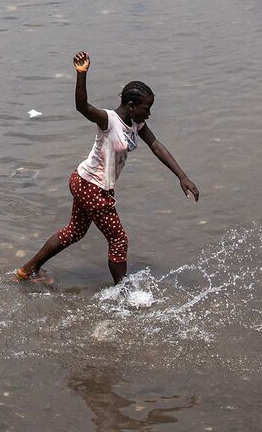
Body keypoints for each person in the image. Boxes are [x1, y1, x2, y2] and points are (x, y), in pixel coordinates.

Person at [14, 51, 198, 286]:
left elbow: (156, 146)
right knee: (119, 240)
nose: (149, 114)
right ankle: (122, 293)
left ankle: (26, 270)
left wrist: (182, 176)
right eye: (146, 108)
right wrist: (82, 74)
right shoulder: (108, 121)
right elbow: (82, 106)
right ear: (131, 106)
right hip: (92, 188)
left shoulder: (136, 123)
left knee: (74, 232)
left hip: (85, 182)